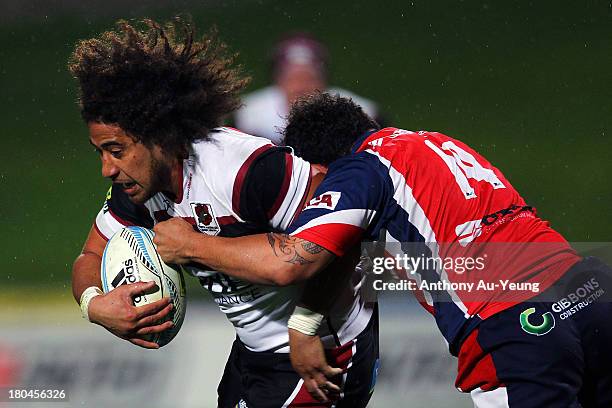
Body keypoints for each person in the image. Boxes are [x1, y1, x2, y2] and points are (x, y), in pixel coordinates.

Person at [155, 92, 612, 407]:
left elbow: (297, 257)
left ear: (320, 166)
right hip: (590, 293)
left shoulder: (360, 169)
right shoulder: (436, 142)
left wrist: (192, 244)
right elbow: (386, 252)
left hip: (515, 324)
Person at [69, 20, 378, 407]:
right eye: (100, 152)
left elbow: (345, 232)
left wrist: (194, 247)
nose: (107, 169)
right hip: (254, 354)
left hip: (323, 347)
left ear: (158, 136)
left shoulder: (242, 170)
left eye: (116, 150)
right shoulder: (136, 187)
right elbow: (90, 255)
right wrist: (95, 306)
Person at [233, 32, 383, 145]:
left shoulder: (360, 114)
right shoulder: (249, 116)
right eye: (292, 79)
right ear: (278, 81)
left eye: (309, 79)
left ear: (324, 81)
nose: (300, 87)